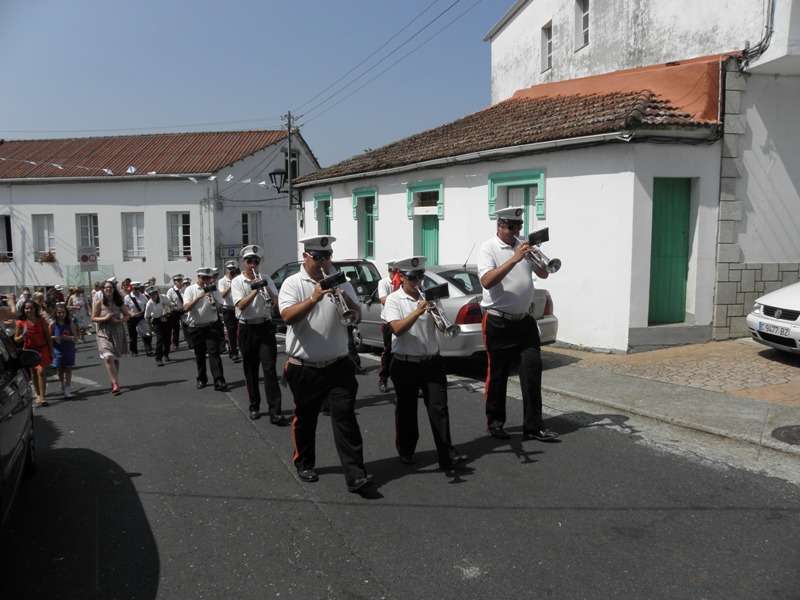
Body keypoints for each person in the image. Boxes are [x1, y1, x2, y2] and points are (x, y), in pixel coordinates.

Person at [279, 235, 372, 494]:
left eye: (328, 257)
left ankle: (356, 474)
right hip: (304, 366)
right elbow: (286, 316)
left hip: (338, 364)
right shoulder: (293, 283)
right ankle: (305, 462)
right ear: (306, 257)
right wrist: (314, 297)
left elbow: (356, 314)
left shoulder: (340, 279)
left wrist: (346, 298)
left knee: (345, 419)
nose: (325, 262)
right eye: (319, 258)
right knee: (306, 419)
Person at [477, 206, 559, 442]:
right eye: (511, 227)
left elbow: (544, 275)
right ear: (500, 226)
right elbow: (487, 281)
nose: (516, 231)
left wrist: (537, 257)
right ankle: (495, 423)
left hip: (524, 321)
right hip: (498, 321)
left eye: (519, 227)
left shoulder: (522, 245)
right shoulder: (488, 248)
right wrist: (515, 258)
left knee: (532, 372)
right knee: (499, 375)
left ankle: (534, 426)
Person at [383, 256, 468, 475]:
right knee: (407, 411)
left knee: (439, 409)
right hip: (405, 363)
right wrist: (418, 311)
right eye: (413, 277)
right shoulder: (394, 300)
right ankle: (406, 450)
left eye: (420, 276)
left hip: (432, 362)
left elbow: (442, 327)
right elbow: (397, 329)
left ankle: (446, 455)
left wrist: (439, 317)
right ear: (401, 277)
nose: (418, 281)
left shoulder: (429, 297)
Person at [231, 245, 287, 424]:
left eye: (256, 261)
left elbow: (276, 301)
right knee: (251, 370)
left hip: (265, 327)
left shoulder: (266, 278)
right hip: (247, 328)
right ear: (243, 263)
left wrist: (267, 289)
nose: (253, 264)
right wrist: (255, 290)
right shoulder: (238, 281)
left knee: (269, 369)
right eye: (249, 261)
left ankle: (275, 411)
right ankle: (254, 406)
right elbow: (240, 305)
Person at [182, 268, 228, 391]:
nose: (207, 281)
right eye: (204, 278)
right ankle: (202, 378)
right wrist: (200, 297)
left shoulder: (213, 289)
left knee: (214, 353)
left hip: (211, 326)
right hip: (196, 327)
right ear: (198, 277)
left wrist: (214, 301)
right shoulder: (190, 289)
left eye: (209, 278)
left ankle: (219, 380)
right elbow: (186, 308)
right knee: (200, 355)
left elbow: (221, 304)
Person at [92, 279, 129, 395]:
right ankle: (115, 383)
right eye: (106, 287)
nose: (108, 289)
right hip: (103, 331)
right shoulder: (99, 302)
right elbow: (93, 318)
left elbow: (127, 315)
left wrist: (122, 320)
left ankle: (114, 380)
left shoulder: (119, 302)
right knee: (108, 357)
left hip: (117, 330)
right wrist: (105, 318)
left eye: (110, 287)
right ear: (103, 290)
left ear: (114, 289)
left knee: (116, 358)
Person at [14, 300, 54, 406]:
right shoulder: (20, 322)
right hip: (30, 350)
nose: (29, 310)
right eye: (27, 308)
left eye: (31, 308)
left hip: (43, 348)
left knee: (40, 371)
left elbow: (48, 336)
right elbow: (16, 339)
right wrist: (23, 336)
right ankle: (37, 394)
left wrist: (51, 350)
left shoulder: (41, 320)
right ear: (23, 310)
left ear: (35, 309)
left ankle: (42, 397)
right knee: (33, 373)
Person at [376, 260, 400, 393]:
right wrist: (397, 295)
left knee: (402, 351)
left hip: (401, 320)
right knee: (388, 351)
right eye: (392, 271)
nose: (394, 274)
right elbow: (383, 299)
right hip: (387, 322)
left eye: (396, 271)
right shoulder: (383, 282)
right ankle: (383, 379)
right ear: (389, 271)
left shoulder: (402, 282)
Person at [50, 302, 78, 398]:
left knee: (68, 369)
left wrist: (69, 338)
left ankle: (67, 387)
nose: (61, 314)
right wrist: (56, 337)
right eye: (59, 312)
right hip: (57, 349)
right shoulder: (53, 324)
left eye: (63, 312)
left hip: (68, 348)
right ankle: (62, 383)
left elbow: (75, 337)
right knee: (60, 369)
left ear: (66, 313)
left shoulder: (70, 323)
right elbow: (49, 337)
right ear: (56, 313)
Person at [217, 260, 241, 362]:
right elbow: (222, 295)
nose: (231, 271)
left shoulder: (239, 279)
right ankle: (233, 352)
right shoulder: (222, 281)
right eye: (229, 269)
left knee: (240, 330)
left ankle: (241, 349)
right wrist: (232, 285)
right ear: (226, 270)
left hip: (239, 308)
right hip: (228, 309)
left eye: (233, 269)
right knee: (231, 331)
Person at [144, 286, 174, 366]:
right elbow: (146, 317)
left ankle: (166, 354)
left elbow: (171, 305)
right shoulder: (149, 304)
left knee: (167, 339)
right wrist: (150, 328)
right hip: (157, 321)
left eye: (154, 294)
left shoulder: (163, 297)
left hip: (167, 318)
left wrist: (168, 310)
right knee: (160, 339)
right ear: (149, 295)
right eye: (151, 295)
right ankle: (158, 358)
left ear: (157, 293)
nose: (153, 296)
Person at [124, 282, 152, 356]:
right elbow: (126, 308)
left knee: (146, 333)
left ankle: (148, 349)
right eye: (134, 289)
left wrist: (144, 312)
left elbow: (147, 305)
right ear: (131, 288)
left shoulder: (143, 296)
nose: (136, 290)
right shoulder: (127, 297)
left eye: (137, 289)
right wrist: (132, 314)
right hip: (132, 317)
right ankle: (134, 351)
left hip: (141, 316)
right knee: (132, 335)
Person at [165, 274, 186, 350]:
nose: (180, 282)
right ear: (174, 282)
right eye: (178, 281)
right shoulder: (170, 291)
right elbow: (167, 302)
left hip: (184, 310)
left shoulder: (185, 289)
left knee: (187, 326)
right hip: (175, 312)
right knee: (175, 328)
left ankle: (190, 342)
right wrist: (174, 305)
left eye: (181, 280)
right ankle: (175, 344)